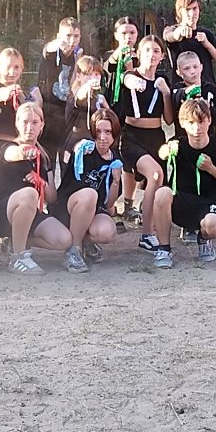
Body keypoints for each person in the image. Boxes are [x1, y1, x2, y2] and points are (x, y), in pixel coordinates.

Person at [0, 103, 81, 275]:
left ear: (42, 125)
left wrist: (41, 183)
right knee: (29, 194)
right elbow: (14, 153)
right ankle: (18, 257)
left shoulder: (44, 156)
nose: (29, 127)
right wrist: (24, 152)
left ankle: (17, 241)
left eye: (35, 122)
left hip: (29, 212)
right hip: (2, 210)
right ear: (17, 124)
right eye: (25, 122)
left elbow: (52, 197)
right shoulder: (9, 148)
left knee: (64, 240)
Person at [149, 99, 216, 268]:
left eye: (201, 121)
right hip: (182, 202)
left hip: (210, 204)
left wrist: (212, 169)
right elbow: (163, 153)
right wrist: (165, 151)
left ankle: (204, 240)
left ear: (209, 120)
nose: (197, 128)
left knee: (213, 226)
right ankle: (164, 248)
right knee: (162, 193)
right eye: (191, 123)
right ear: (182, 124)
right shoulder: (177, 145)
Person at [110, 36, 173, 255]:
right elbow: (125, 78)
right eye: (147, 50)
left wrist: (166, 93)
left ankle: (154, 227)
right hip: (132, 137)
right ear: (138, 53)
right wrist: (131, 80)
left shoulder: (163, 80)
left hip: (156, 136)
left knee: (159, 184)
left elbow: (169, 119)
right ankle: (147, 235)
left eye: (156, 51)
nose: (151, 55)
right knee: (155, 174)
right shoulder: (131, 76)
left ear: (162, 56)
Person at [56, 108, 123, 264]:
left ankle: (84, 240)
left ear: (114, 133)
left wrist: (116, 180)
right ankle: (74, 249)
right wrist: (78, 147)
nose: (102, 137)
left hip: (93, 209)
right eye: (98, 131)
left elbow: (108, 204)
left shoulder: (115, 159)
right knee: (90, 194)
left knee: (106, 232)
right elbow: (74, 147)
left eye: (108, 132)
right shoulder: (85, 149)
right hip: (69, 204)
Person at [102, 16, 140, 227]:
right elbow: (108, 67)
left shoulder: (142, 56)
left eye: (132, 33)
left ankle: (129, 204)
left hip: (134, 117)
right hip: (112, 116)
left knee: (129, 162)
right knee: (111, 159)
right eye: (124, 33)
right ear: (116, 35)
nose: (128, 37)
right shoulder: (109, 56)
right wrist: (121, 56)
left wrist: (132, 63)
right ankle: (107, 205)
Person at [36, 17, 82, 158]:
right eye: (68, 35)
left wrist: (78, 61)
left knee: (67, 161)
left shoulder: (78, 55)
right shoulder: (51, 53)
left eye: (76, 36)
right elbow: (48, 48)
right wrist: (59, 42)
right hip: (49, 115)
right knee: (47, 160)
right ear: (59, 36)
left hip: (67, 116)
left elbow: (76, 84)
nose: (72, 41)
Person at [162, 0, 216, 87]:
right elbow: (170, 36)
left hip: (206, 90)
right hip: (183, 91)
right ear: (180, 12)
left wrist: (208, 45)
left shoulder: (207, 35)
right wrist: (180, 33)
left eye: (195, 8)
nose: (192, 13)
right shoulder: (171, 30)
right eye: (187, 9)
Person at [169, 50, 216, 140]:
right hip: (184, 140)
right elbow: (172, 108)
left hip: (208, 140)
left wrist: (209, 108)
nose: (192, 71)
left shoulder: (211, 89)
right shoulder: (176, 90)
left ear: (201, 67)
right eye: (187, 68)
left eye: (195, 67)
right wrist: (186, 93)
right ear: (179, 72)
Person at [62, 55, 108, 159]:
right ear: (78, 76)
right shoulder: (74, 96)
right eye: (88, 74)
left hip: (95, 143)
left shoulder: (99, 98)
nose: (93, 78)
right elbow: (80, 96)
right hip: (74, 146)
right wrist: (88, 86)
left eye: (96, 74)